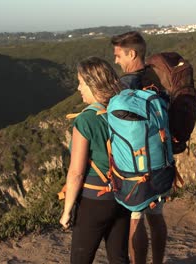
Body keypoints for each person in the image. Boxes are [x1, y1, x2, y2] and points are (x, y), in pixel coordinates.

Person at [59, 57, 130, 264]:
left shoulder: (86, 120)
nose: (78, 87)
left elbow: (76, 173)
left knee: (81, 258)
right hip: (124, 194)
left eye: (81, 82)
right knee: (119, 257)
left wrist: (66, 211)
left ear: (92, 84)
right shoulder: (124, 110)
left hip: (94, 200)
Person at [111, 31, 168, 264]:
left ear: (132, 53)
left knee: (136, 218)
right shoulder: (157, 78)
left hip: (136, 169)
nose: (116, 61)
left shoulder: (127, 85)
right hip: (161, 163)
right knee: (156, 215)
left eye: (118, 55)